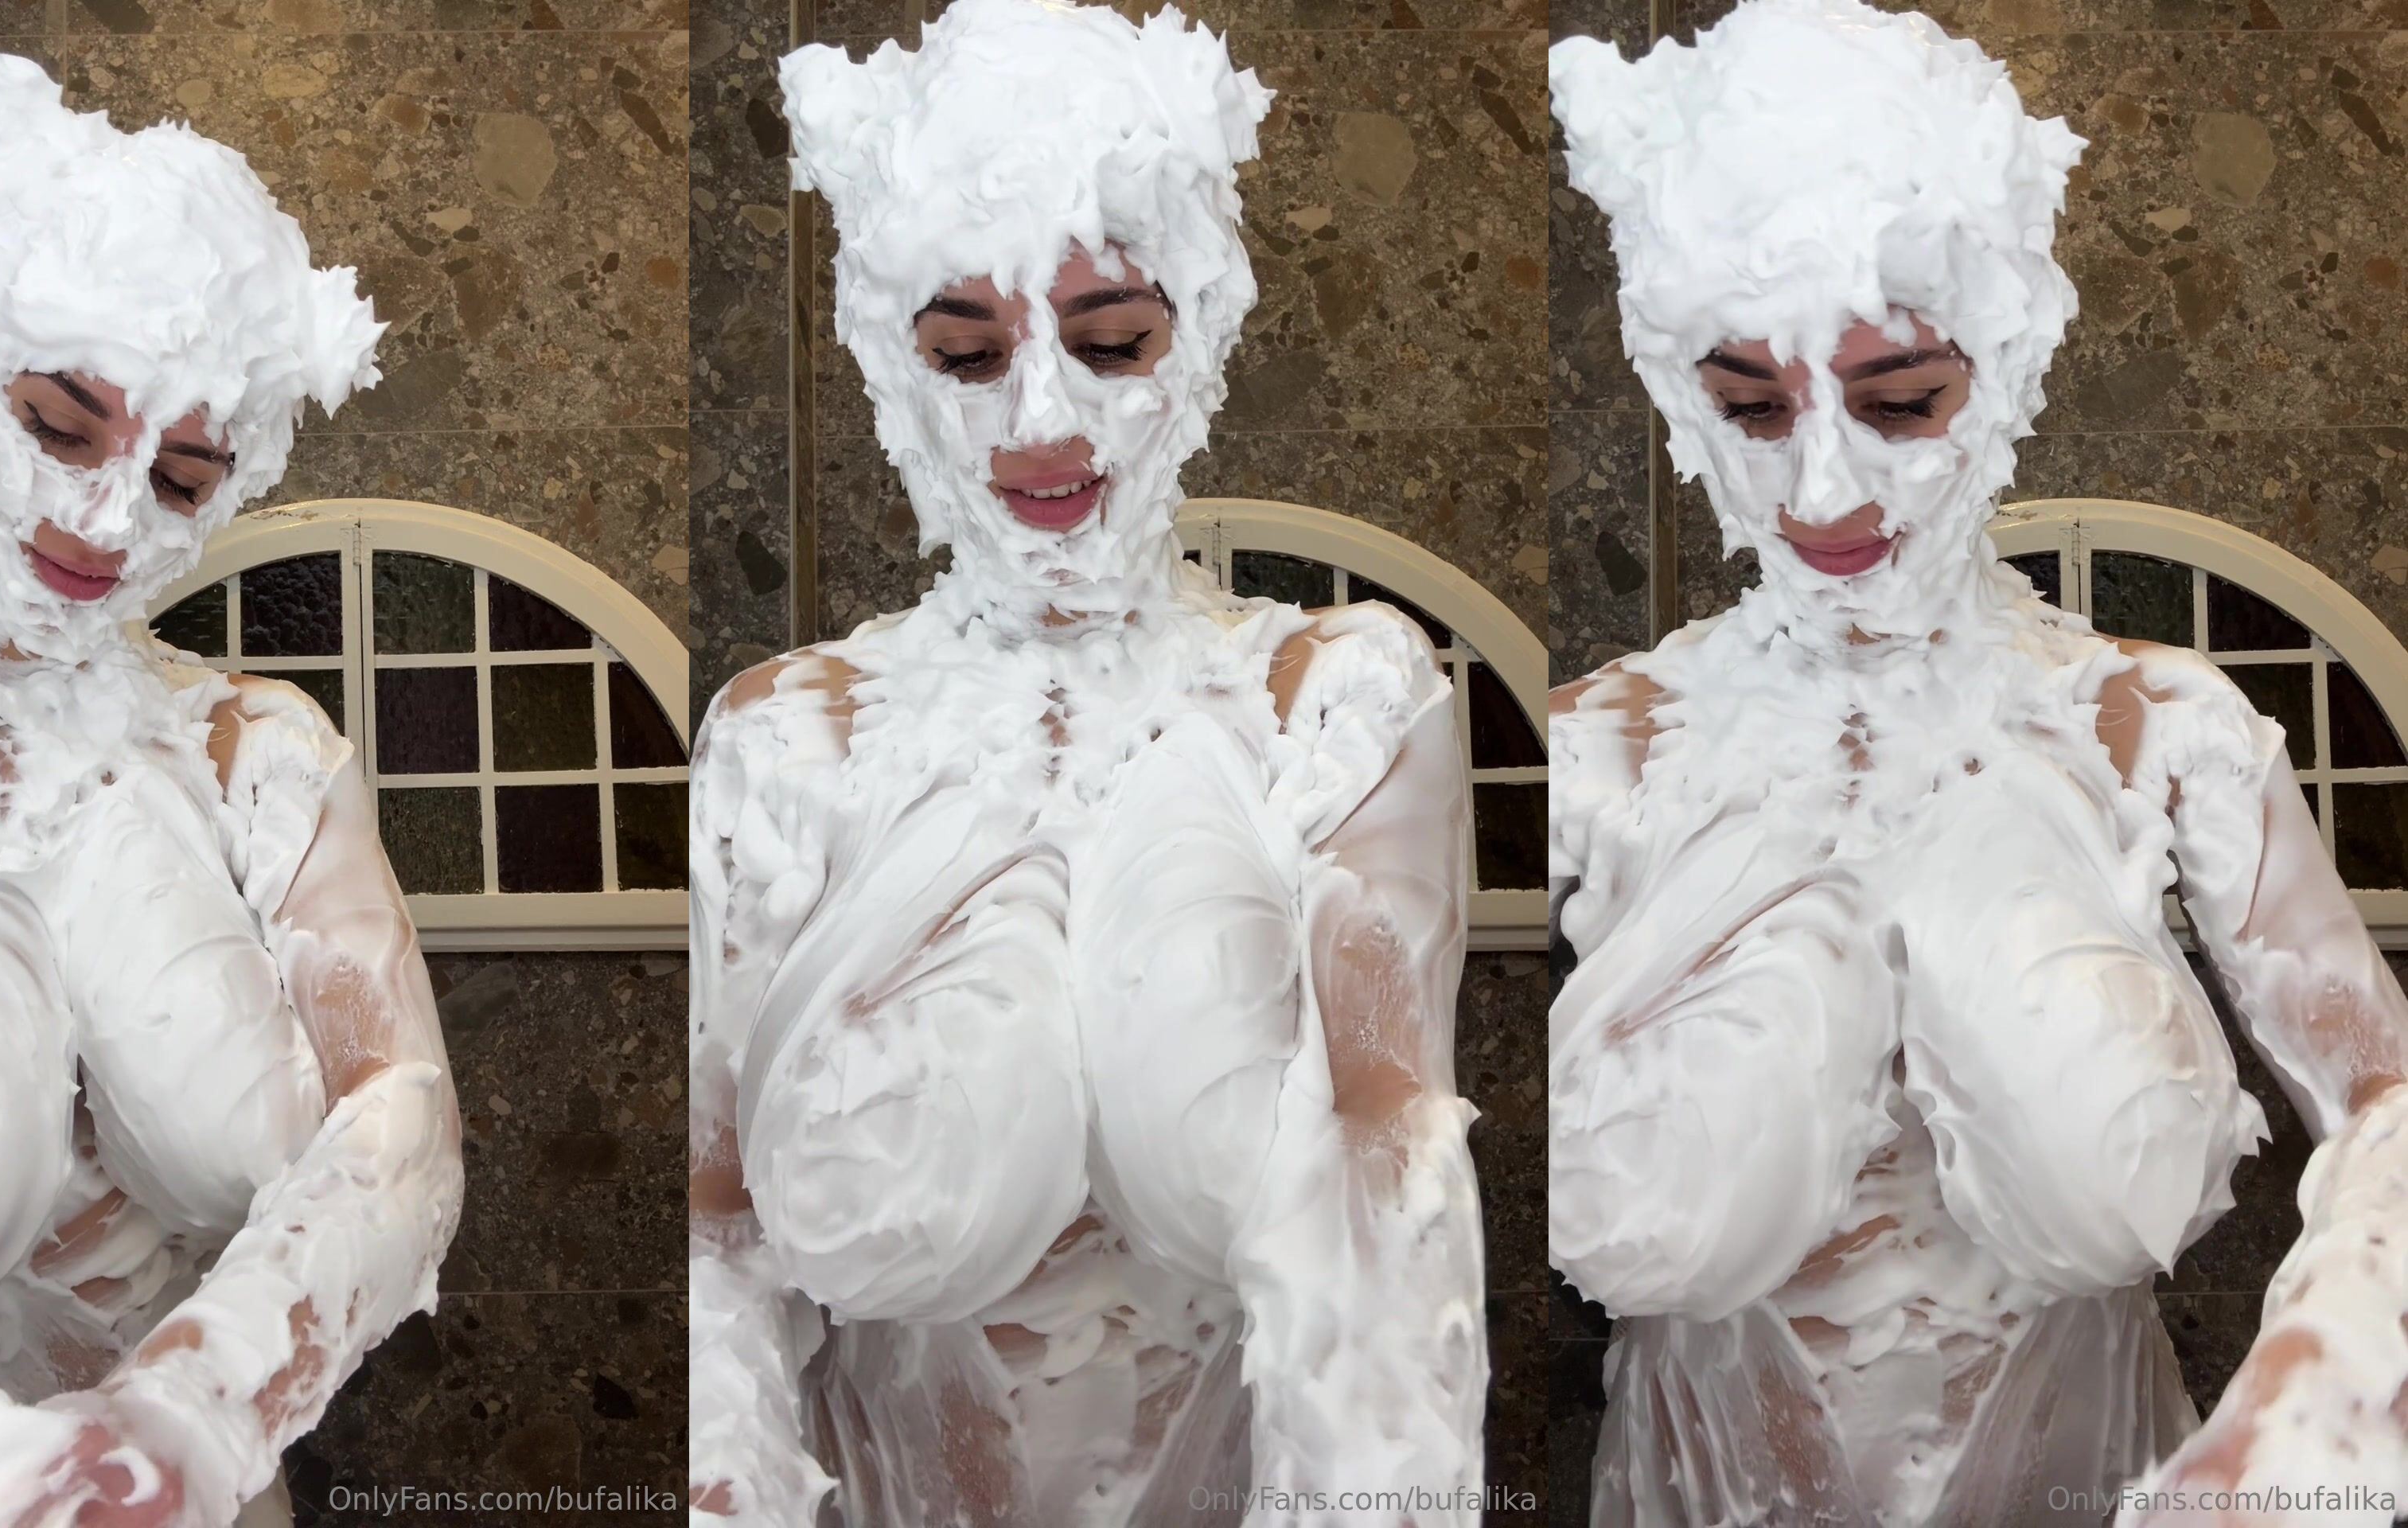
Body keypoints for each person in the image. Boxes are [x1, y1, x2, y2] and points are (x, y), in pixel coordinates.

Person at [1545, 3, 2408, 1525]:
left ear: (2001, 369)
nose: (1822, 488)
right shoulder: (1601, 747)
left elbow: (2388, 1102)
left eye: (1899, 404)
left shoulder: (2153, 725)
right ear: (1680, 394)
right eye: (1751, 407)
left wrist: (2329, 1379)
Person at [688, 1, 1490, 1521]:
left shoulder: (1329, 702)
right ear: (891, 370)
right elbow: (716, 1225)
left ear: (1203, 340)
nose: (1040, 417)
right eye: (966, 353)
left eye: (1111, 342)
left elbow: (1394, 1183)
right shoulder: (789, 736)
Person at [0, 55, 462, 1528]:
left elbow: (401, 1123)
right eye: (60, 428)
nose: (108, 518)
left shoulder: (252, 751)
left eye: (180, 477)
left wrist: (192, 1405)